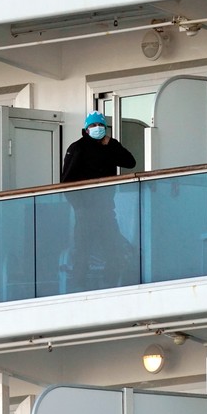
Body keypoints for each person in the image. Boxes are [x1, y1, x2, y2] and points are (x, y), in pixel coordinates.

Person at [60, 111, 137, 291]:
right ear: (86, 129)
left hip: (106, 210)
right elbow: (66, 182)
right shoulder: (77, 148)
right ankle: (79, 290)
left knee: (114, 250)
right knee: (82, 254)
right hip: (85, 212)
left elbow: (130, 162)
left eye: (100, 125)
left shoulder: (109, 147)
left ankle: (110, 286)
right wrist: (79, 207)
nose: (97, 128)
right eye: (93, 125)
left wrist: (113, 144)